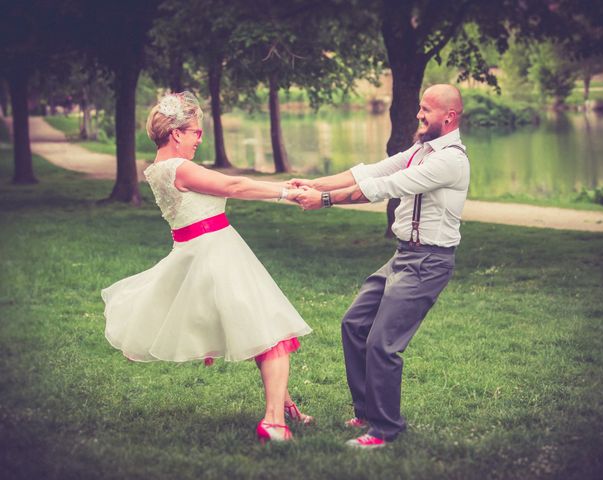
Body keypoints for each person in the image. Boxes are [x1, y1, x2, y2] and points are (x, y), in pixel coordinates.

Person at [102, 91, 313, 443]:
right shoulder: (179, 168)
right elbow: (234, 185)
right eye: (196, 131)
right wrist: (285, 192)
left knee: (261, 328)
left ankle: (285, 406)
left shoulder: (158, 168)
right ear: (177, 134)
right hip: (217, 255)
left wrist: (280, 186)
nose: (200, 138)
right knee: (273, 333)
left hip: (200, 251)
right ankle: (275, 421)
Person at [292, 84, 469, 449]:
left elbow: (383, 187)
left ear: (449, 117)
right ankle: (366, 410)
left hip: (429, 262)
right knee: (354, 324)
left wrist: (323, 200)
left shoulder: (450, 160)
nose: (419, 115)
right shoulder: (420, 151)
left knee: (382, 344)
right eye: (419, 107)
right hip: (404, 256)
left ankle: (385, 429)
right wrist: (312, 183)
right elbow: (367, 173)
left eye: (426, 110)